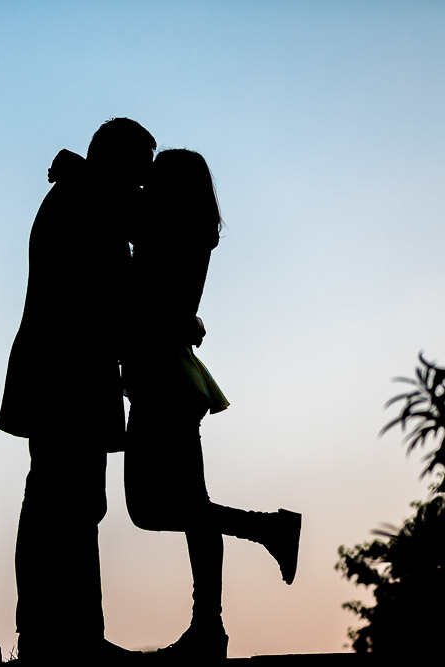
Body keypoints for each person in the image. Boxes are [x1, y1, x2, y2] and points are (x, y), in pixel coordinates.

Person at [121, 149, 302, 659]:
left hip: (161, 382)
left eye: (154, 180)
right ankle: (210, 626)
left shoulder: (161, 234)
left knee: (149, 508)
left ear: (168, 189)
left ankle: (268, 530)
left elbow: (150, 300)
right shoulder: (187, 233)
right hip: (173, 380)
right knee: (191, 506)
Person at [0, 118, 155, 663]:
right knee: (63, 501)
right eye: (140, 172)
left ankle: (61, 631)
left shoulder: (84, 196)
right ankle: (62, 634)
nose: (144, 185)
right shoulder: (89, 202)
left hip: (61, 373)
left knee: (64, 499)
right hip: (66, 375)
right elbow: (119, 284)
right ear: (118, 164)